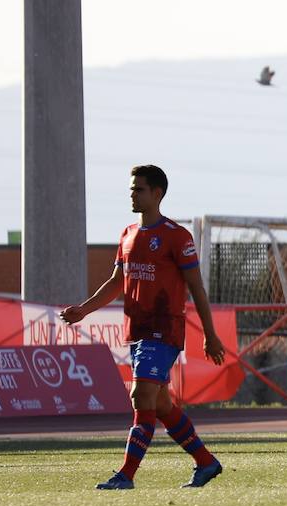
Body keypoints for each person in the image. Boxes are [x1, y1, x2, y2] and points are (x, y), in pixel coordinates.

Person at [60, 165, 228, 489]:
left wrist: (210, 334)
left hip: (163, 330)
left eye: (139, 189)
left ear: (157, 194)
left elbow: (197, 288)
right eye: (131, 189)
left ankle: (126, 475)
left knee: (141, 395)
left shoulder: (177, 237)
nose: (132, 195)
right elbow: (116, 282)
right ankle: (206, 462)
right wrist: (85, 309)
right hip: (136, 330)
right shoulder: (127, 235)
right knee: (160, 403)